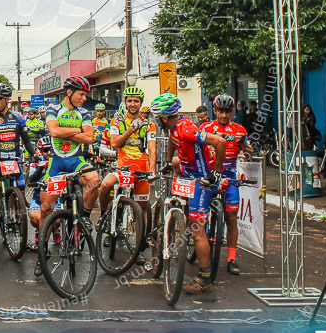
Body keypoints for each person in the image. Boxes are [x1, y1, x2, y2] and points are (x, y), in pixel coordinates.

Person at [150, 93, 226, 295]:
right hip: (187, 171)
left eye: (158, 116)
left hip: (202, 179)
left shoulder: (187, 130)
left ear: (165, 117)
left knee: (197, 228)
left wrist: (216, 173)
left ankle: (203, 277)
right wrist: (168, 162)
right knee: (175, 164)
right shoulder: (174, 128)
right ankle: (177, 214)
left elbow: (220, 142)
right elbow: (172, 142)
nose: (156, 119)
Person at [38, 76, 99, 278]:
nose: (84, 98)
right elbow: (53, 131)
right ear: (70, 93)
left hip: (76, 160)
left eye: (85, 95)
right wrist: (77, 130)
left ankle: (84, 217)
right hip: (56, 164)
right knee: (46, 208)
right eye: (81, 94)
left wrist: (65, 132)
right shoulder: (53, 109)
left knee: (94, 180)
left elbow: (89, 137)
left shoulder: (84, 112)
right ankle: (42, 252)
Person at [198, 94, 250, 275]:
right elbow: (197, 147)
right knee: (201, 216)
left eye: (228, 112)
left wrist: (243, 143)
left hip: (229, 177)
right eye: (221, 111)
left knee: (231, 218)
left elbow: (250, 153)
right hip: (210, 176)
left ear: (233, 112)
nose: (224, 116)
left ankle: (232, 258)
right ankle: (201, 250)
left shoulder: (240, 129)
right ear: (215, 110)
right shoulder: (206, 127)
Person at [0, 83, 34, 239]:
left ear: (7, 100)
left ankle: (25, 238)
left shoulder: (18, 118)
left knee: (21, 200)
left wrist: (36, 155)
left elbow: (27, 141)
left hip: (14, 163)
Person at [99, 85, 155, 224]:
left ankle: (140, 243)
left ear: (141, 103)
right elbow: (115, 144)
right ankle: (104, 216)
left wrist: (152, 171)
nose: (132, 104)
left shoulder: (149, 124)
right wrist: (131, 129)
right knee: (105, 185)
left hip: (142, 169)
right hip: (123, 167)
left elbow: (152, 149)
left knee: (141, 214)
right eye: (129, 101)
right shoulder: (116, 122)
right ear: (125, 102)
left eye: (136, 101)